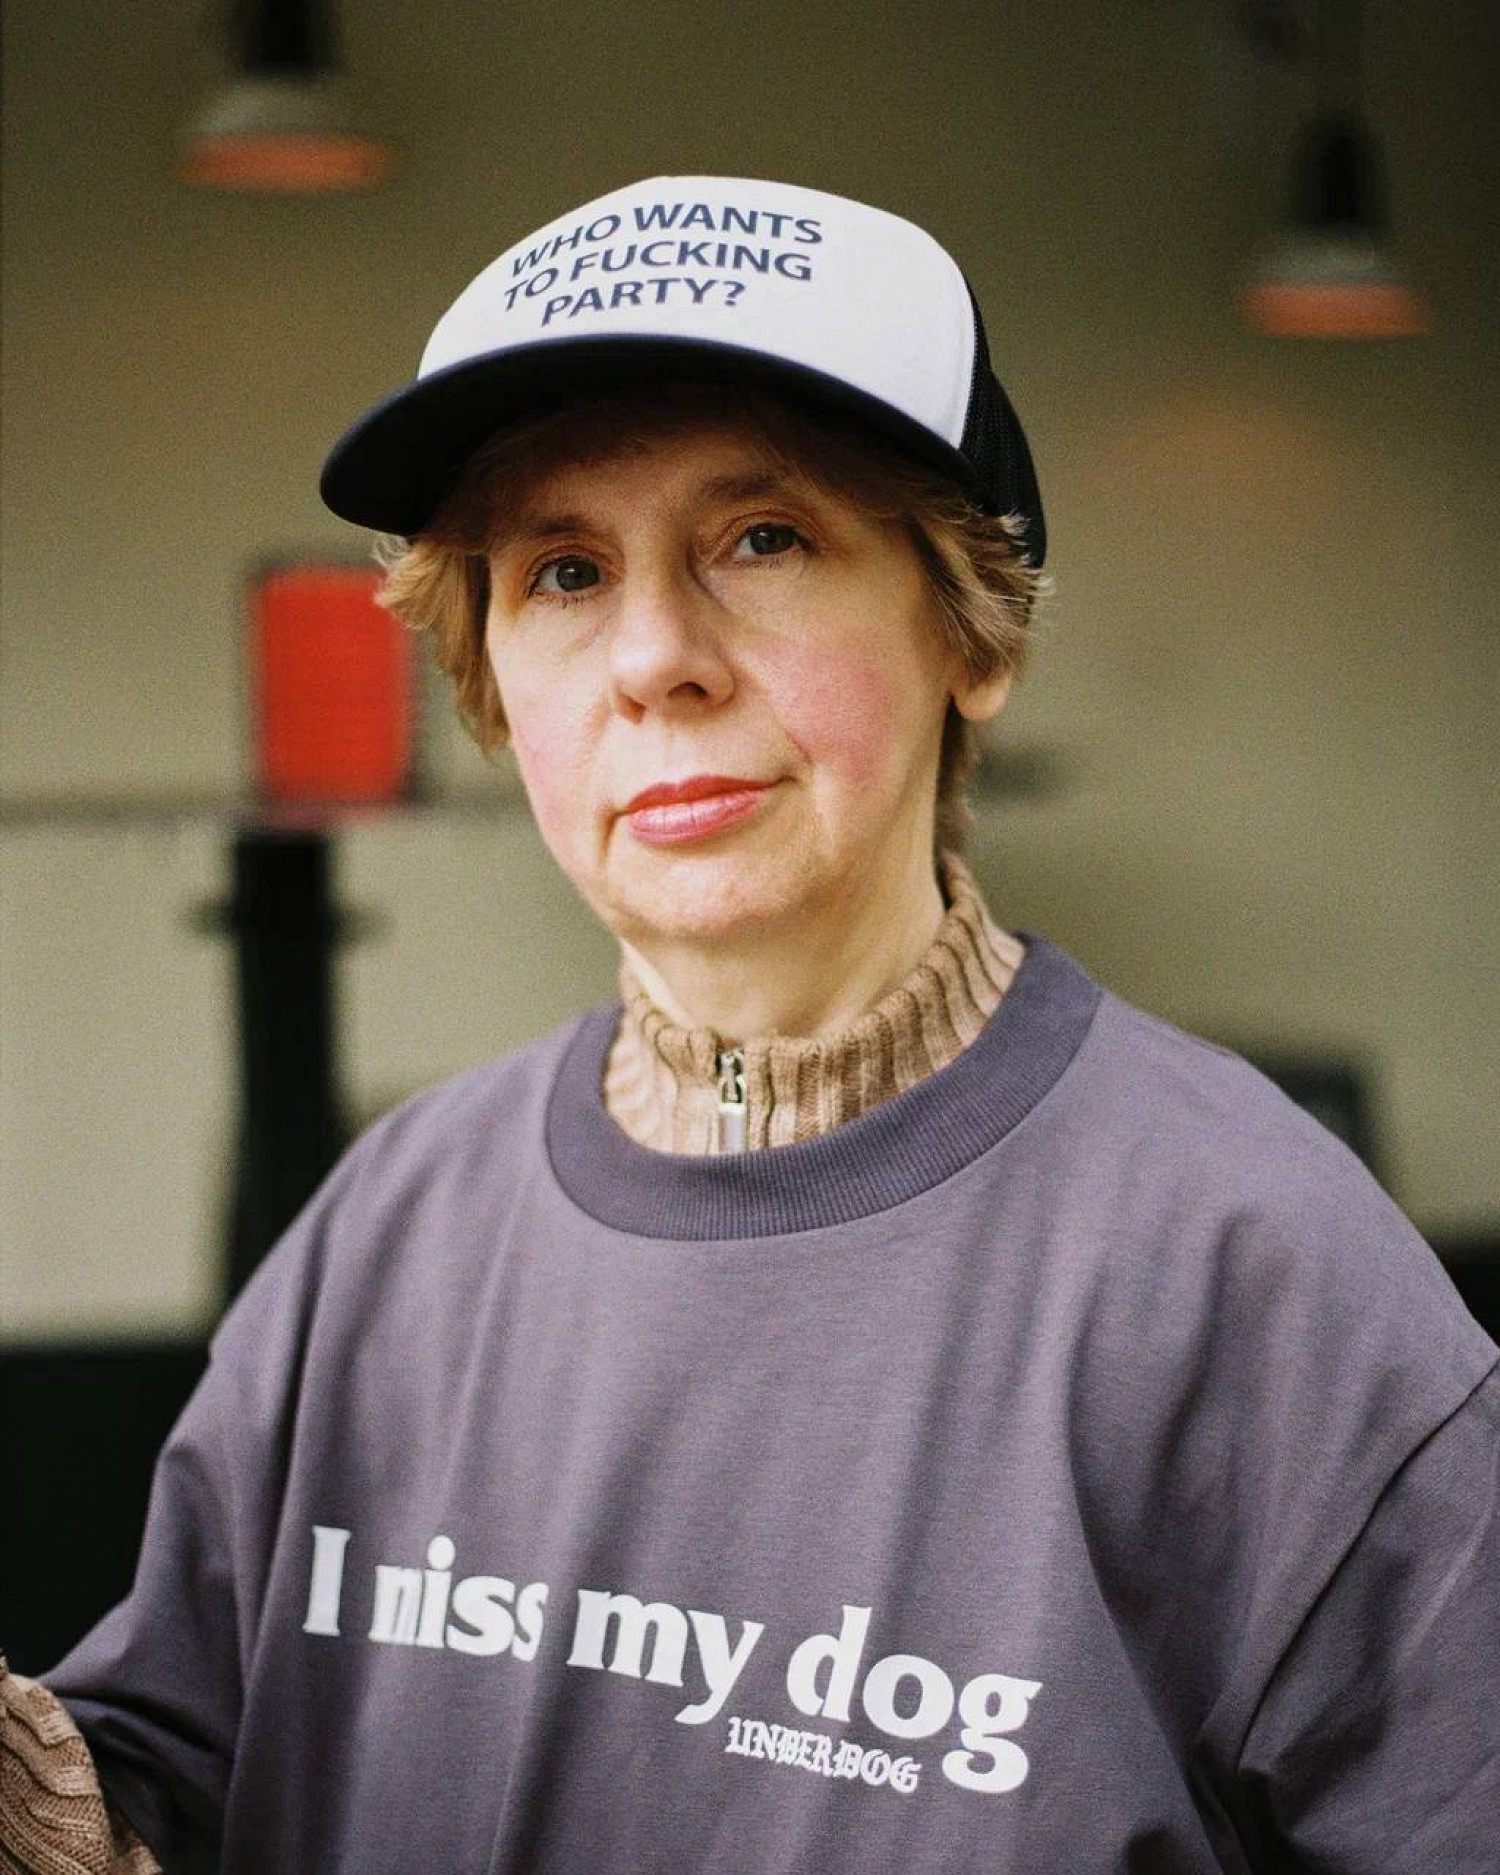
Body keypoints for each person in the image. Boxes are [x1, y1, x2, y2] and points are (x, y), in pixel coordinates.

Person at [3, 174, 1496, 1874]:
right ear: (492, 678)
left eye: (763, 538)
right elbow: (159, 1801)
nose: (655, 657)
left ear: (971, 626)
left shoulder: (1260, 1271)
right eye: (564, 569)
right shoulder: (388, 1232)